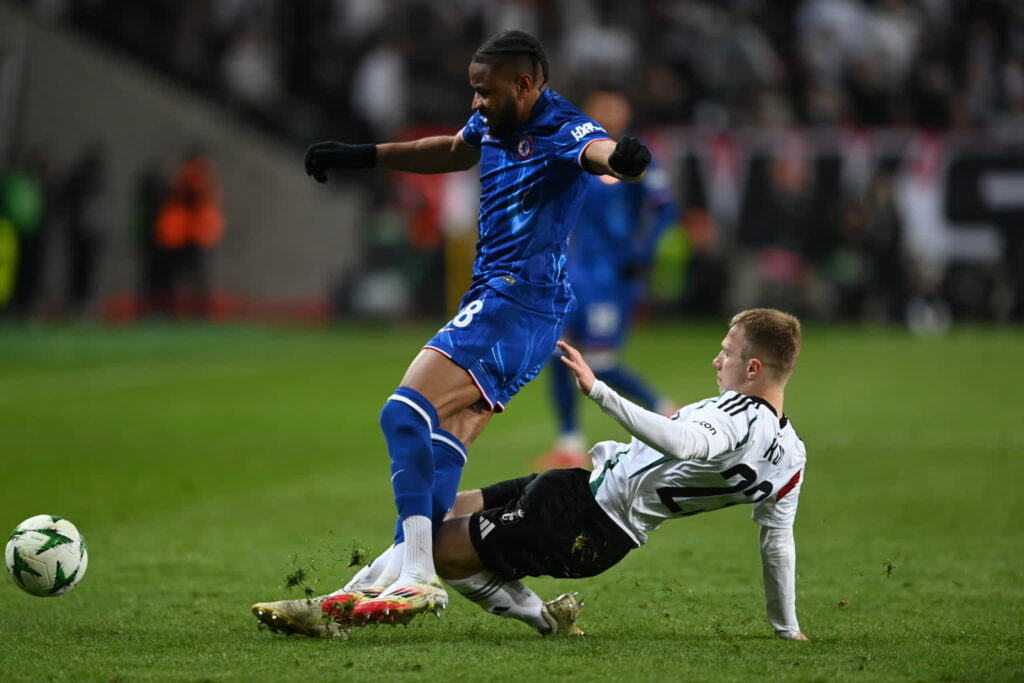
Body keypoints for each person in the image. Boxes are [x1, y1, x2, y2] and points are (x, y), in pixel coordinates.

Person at [269, 29, 652, 624]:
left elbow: (595, 149)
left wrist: (621, 162)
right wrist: (362, 155)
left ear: (525, 85)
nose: (476, 103)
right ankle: (526, 611)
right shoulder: (494, 124)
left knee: (403, 413)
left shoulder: (558, 124)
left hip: (515, 304)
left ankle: (417, 575)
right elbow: (450, 148)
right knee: (443, 441)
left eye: (485, 92)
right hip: (513, 308)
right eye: (472, 91)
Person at [252, 308, 808, 641]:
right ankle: (544, 620)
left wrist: (598, 391)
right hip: (579, 495)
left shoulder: (734, 414)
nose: (718, 362)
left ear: (753, 368)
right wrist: (787, 629)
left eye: (727, 352)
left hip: (585, 521)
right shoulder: (790, 454)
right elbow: (776, 543)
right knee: (432, 519)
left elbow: (684, 441)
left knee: (439, 551)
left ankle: (332, 612)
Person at [539, 87, 679, 469]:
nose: (604, 112)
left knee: (599, 361)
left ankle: (664, 411)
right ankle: (569, 443)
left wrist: (641, 253)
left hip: (609, 276)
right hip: (570, 272)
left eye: (611, 105)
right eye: (597, 106)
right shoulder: (578, 155)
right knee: (558, 351)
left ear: (627, 110)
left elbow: (665, 209)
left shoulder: (636, 157)